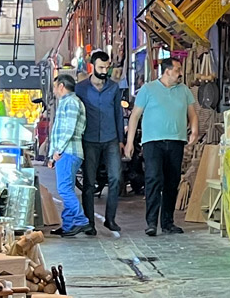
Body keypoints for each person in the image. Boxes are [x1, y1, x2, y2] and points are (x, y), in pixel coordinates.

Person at [124, 55, 197, 236]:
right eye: (177, 70)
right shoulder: (148, 90)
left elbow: (192, 114)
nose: (180, 74)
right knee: (153, 180)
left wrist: (194, 131)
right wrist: (129, 142)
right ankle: (151, 223)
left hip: (176, 141)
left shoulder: (184, 90)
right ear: (167, 71)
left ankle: (167, 223)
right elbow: (134, 116)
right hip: (152, 143)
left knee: (172, 182)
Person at [72, 49, 128, 236]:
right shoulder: (80, 89)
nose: (104, 70)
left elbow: (118, 115)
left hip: (111, 138)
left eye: (107, 67)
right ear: (92, 66)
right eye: (101, 67)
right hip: (88, 139)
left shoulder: (113, 87)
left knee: (115, 178)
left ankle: (110, 219)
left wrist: (121, 140)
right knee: (89, 182)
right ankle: (89, 223)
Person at [44, 73, 90, 236]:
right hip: (67, 152)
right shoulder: (67, 102)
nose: (54, 90)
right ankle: (69, 225)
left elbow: (68, 130)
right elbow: (59, 131)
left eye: (55, 87)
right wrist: (51, 155)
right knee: (67, 188)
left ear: (61, 86)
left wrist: (57, 152)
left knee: (64, 189)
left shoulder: (71, 102)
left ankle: (81, 221)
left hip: (68, 152)